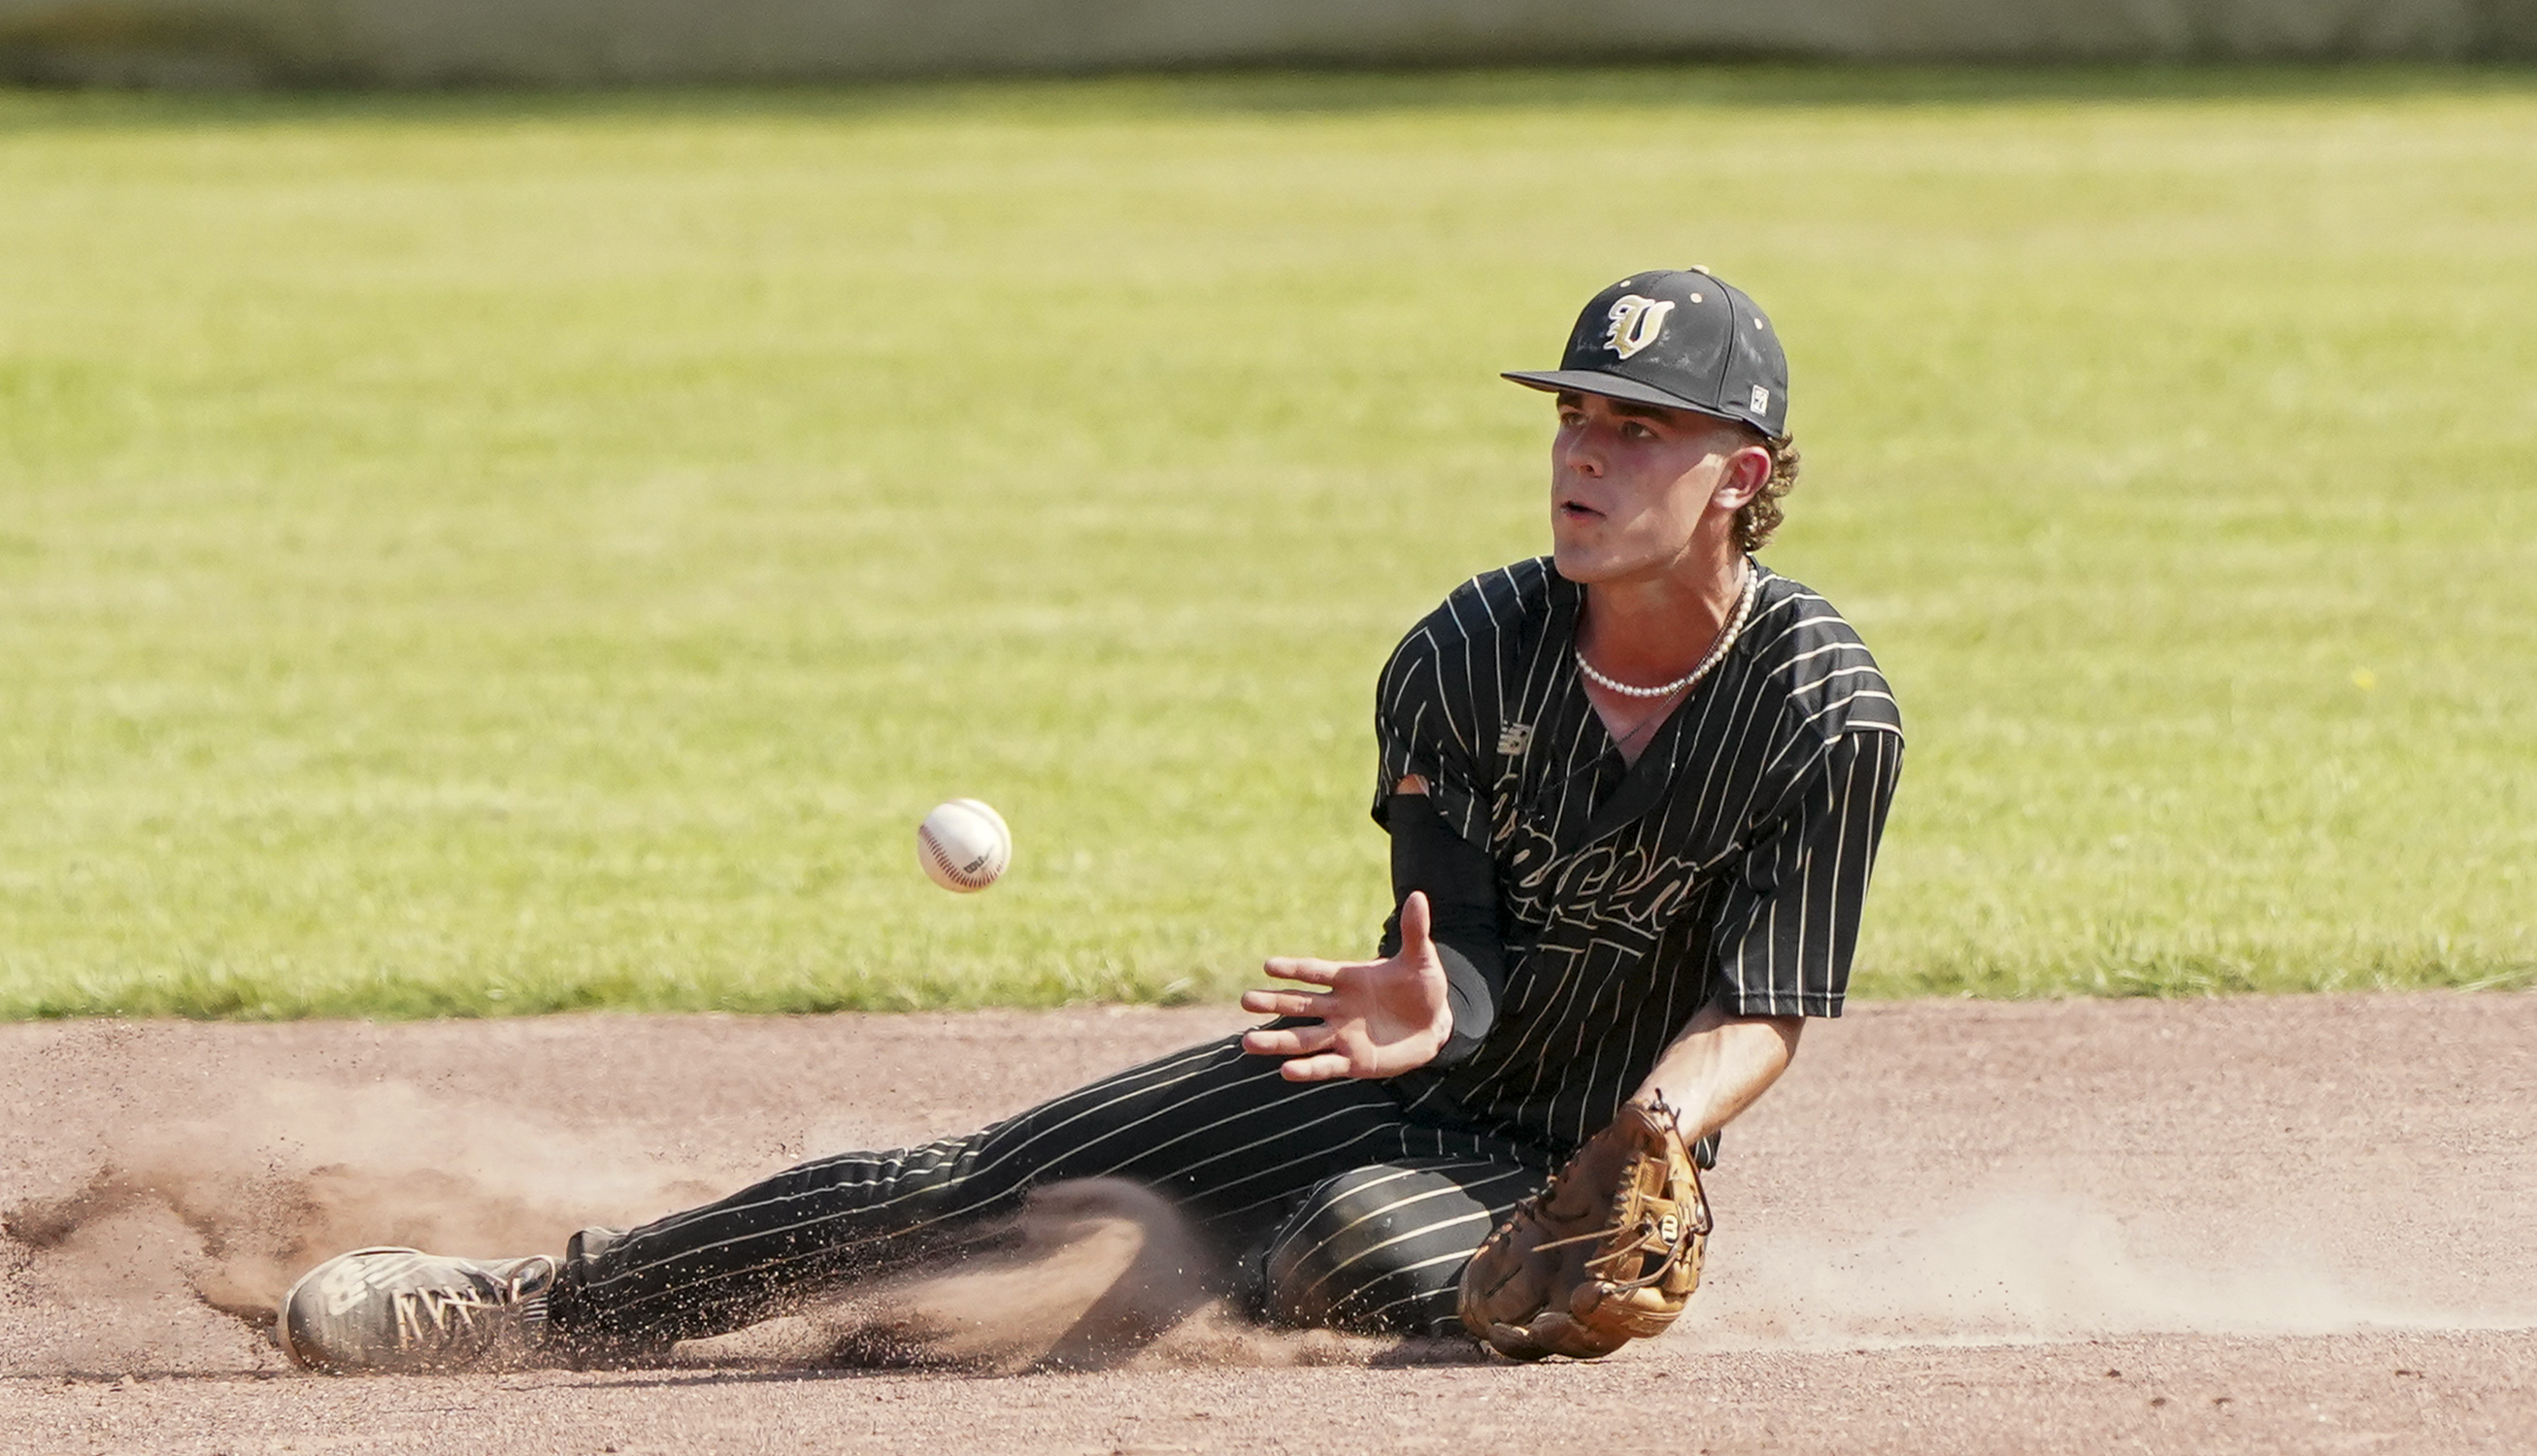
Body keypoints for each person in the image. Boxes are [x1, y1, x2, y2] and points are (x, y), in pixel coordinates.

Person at [278, 268, 1903, 1373]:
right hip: (1369, 1077)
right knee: (965, 1180)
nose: (1583, 452)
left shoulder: (1822, 709)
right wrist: (1438, 1004)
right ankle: (541, 1306)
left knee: (1356, 1250)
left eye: (1637, 429)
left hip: (1567, 1162)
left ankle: (1230, 1278)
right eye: (1570, 417)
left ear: (1740, 473)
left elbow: (1764, 999)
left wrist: (1656, 1136)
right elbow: (1454, 947)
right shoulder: (1464, 652)